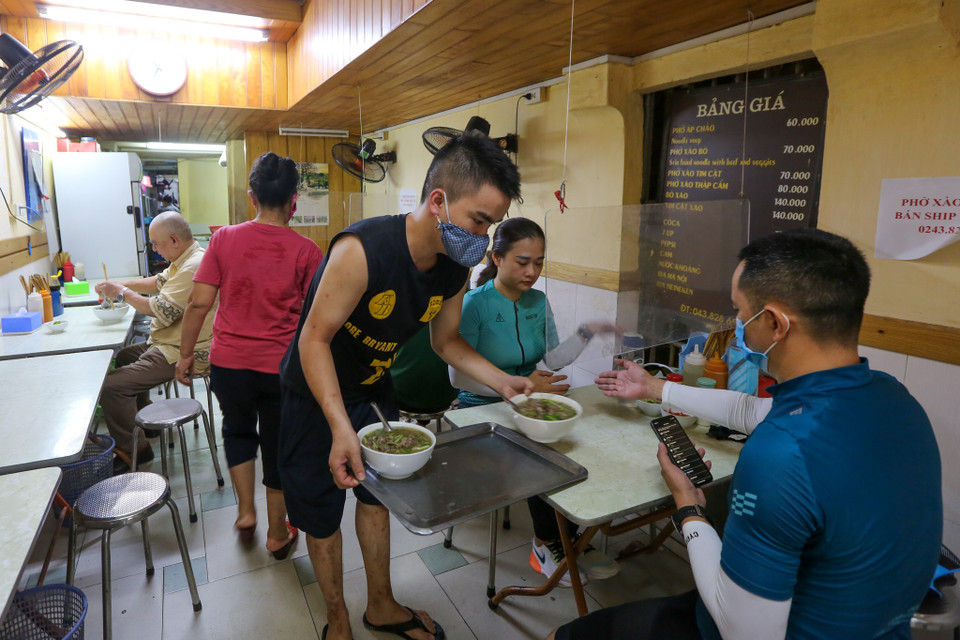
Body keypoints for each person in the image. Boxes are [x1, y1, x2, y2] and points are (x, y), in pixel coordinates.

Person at [551, 228, 943, 640]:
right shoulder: (895, 400)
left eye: (740, 312)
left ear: (775, 323)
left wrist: (689, 508)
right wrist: (655, 388)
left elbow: (742, 631)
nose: (737, 325)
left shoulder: (779, 457)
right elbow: (752, 410)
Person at [278, 132, 534, 640]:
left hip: (374, 392)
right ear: (438, 201)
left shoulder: (454, 267)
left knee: (378, 500)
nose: (483, 237)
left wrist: (504, 382)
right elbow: (314, 339)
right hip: (315, 394)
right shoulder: (363, 250)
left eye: (492, 224)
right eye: (478, 220)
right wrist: (338, 426)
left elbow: (447, 341)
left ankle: (381, 606)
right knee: (321, 513)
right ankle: (337, 618)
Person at [450, 217, 620, 585]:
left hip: (529, 402)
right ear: (497, 258)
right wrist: (525, 384)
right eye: (523, 262)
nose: (532, 272)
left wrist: (586, 332)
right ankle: (546, 544)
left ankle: (572, 537)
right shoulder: (474, 304)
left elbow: (553, 360)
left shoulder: (538, 301)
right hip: (480, 408)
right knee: (540, 454)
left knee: (579, 445)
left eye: (539, 263)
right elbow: (458, 377)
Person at [174, 152, 323, 559]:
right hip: (281, 368)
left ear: (252, 196)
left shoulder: (223, 239)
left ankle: (245, 512)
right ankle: (277, 532)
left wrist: (185, 355)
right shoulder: (308, 250)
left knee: (237, 430)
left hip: (228, 363)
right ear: (294, 200)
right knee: (277, 445)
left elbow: (199, 303)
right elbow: (317, 318)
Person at [96, 212, 215, 474]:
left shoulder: (194, 265)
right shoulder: (183, 259)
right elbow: (158, 282)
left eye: (156, 244)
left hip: (186, 351)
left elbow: (161, 310)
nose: (154, 249)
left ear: (173, 240)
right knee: (125, 357)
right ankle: (144, 422)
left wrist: (123, 293)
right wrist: (119, 284)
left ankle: (135, 450)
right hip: (168, 342)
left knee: (111, 387)